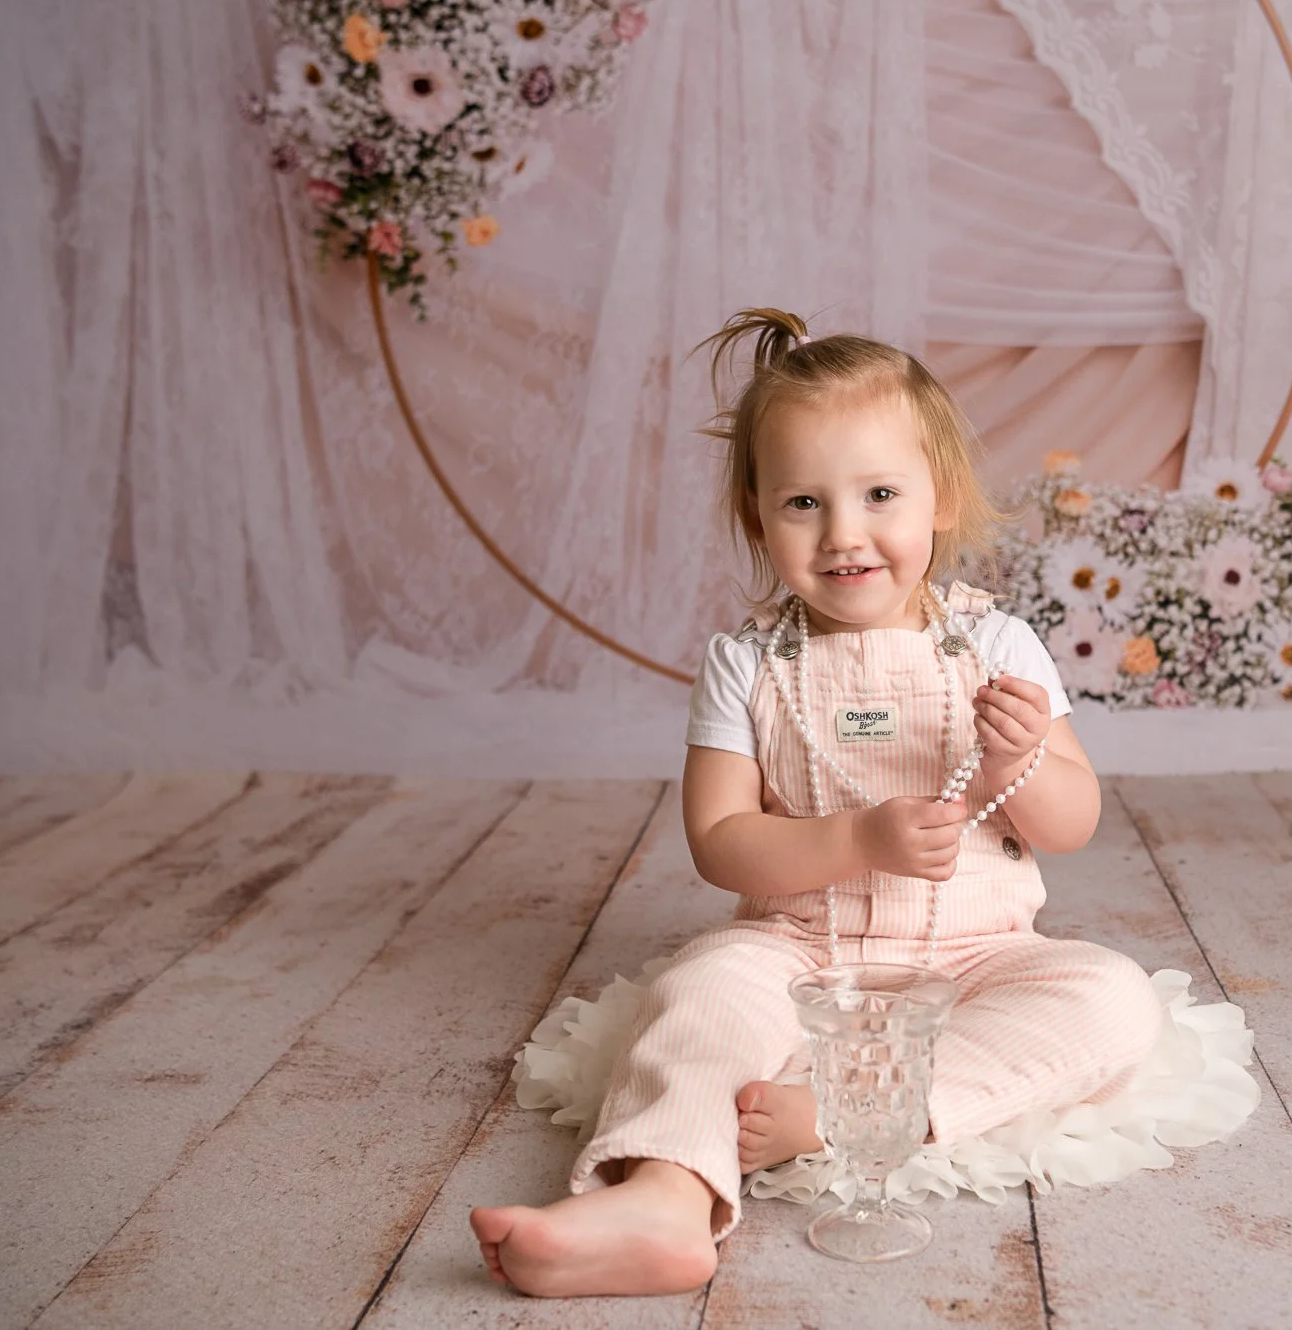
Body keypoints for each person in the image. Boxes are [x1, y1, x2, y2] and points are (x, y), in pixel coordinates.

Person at [470, 307, 1164, 1298]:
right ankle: (664, 1199)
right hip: (799, 950)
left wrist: (1027, 760)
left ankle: (850, 1104)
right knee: (702, 993)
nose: (845, 534)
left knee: (1110, 999)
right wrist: (857, 837)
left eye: (880, 494)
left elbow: (1070, 821)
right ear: (757, 515)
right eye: (802, 502)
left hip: (974, 961)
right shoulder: (745, 662)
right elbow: (719, 842)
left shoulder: (995, 645)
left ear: (942, 500)